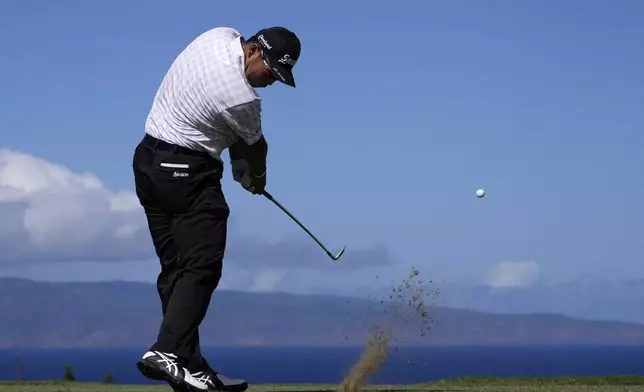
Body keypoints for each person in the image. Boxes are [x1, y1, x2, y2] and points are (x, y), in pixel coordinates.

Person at [131, 26, 301, 392]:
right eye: (270, 72)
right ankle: (165, 351)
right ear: (254, 51)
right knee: (203, 264)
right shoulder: (242, 98)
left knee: (176, 270)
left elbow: (233, 140)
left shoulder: (218, 35)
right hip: (186, 174)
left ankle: (188, 365)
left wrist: (241, 168)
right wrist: (256, 180)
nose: (270, 82)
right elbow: (253, 149)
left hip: (147, 162)